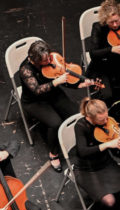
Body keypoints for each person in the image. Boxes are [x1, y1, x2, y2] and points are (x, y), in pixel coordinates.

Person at [19, 39, 93, 172]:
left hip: (52, 93)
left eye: (49, 57)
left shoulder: (50, 59)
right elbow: (36, 90)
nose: (49, 61)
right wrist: (56, 82)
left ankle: (83, 143)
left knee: (75, 114)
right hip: (34, 101)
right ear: (35, 60)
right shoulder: (25, 69)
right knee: (55, 123)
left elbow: (58, 74)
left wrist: (78, 84)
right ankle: (53, 154)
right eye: (45, 60)